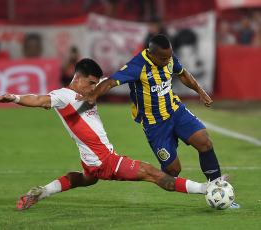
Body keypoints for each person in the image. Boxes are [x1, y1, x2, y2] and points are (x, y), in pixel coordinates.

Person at [0, 58, 214, 211]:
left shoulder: (87, 91)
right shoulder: (63, 96)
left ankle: (43, 191)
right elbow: (39, 100)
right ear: (77, 79)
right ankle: (206, 189)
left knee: (85, 180)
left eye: (95, 84)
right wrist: (14, 97)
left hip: (91, 159)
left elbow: (113, 79)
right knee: (151, 172)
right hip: (103, 159)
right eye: (90, 83)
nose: (93, 89)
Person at [77, 36, 240, 209]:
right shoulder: (137, 66)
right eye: (163, 58)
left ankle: (217, 189)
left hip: (175, 111)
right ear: (151, 53)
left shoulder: (167, 56)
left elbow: (182, 73)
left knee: (205, 142)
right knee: (173, 171)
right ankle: (159, 176)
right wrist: (94, 95)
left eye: (169, 57)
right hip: (155, 125)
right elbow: (110, 81)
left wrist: (200, 91)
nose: (168, 60)